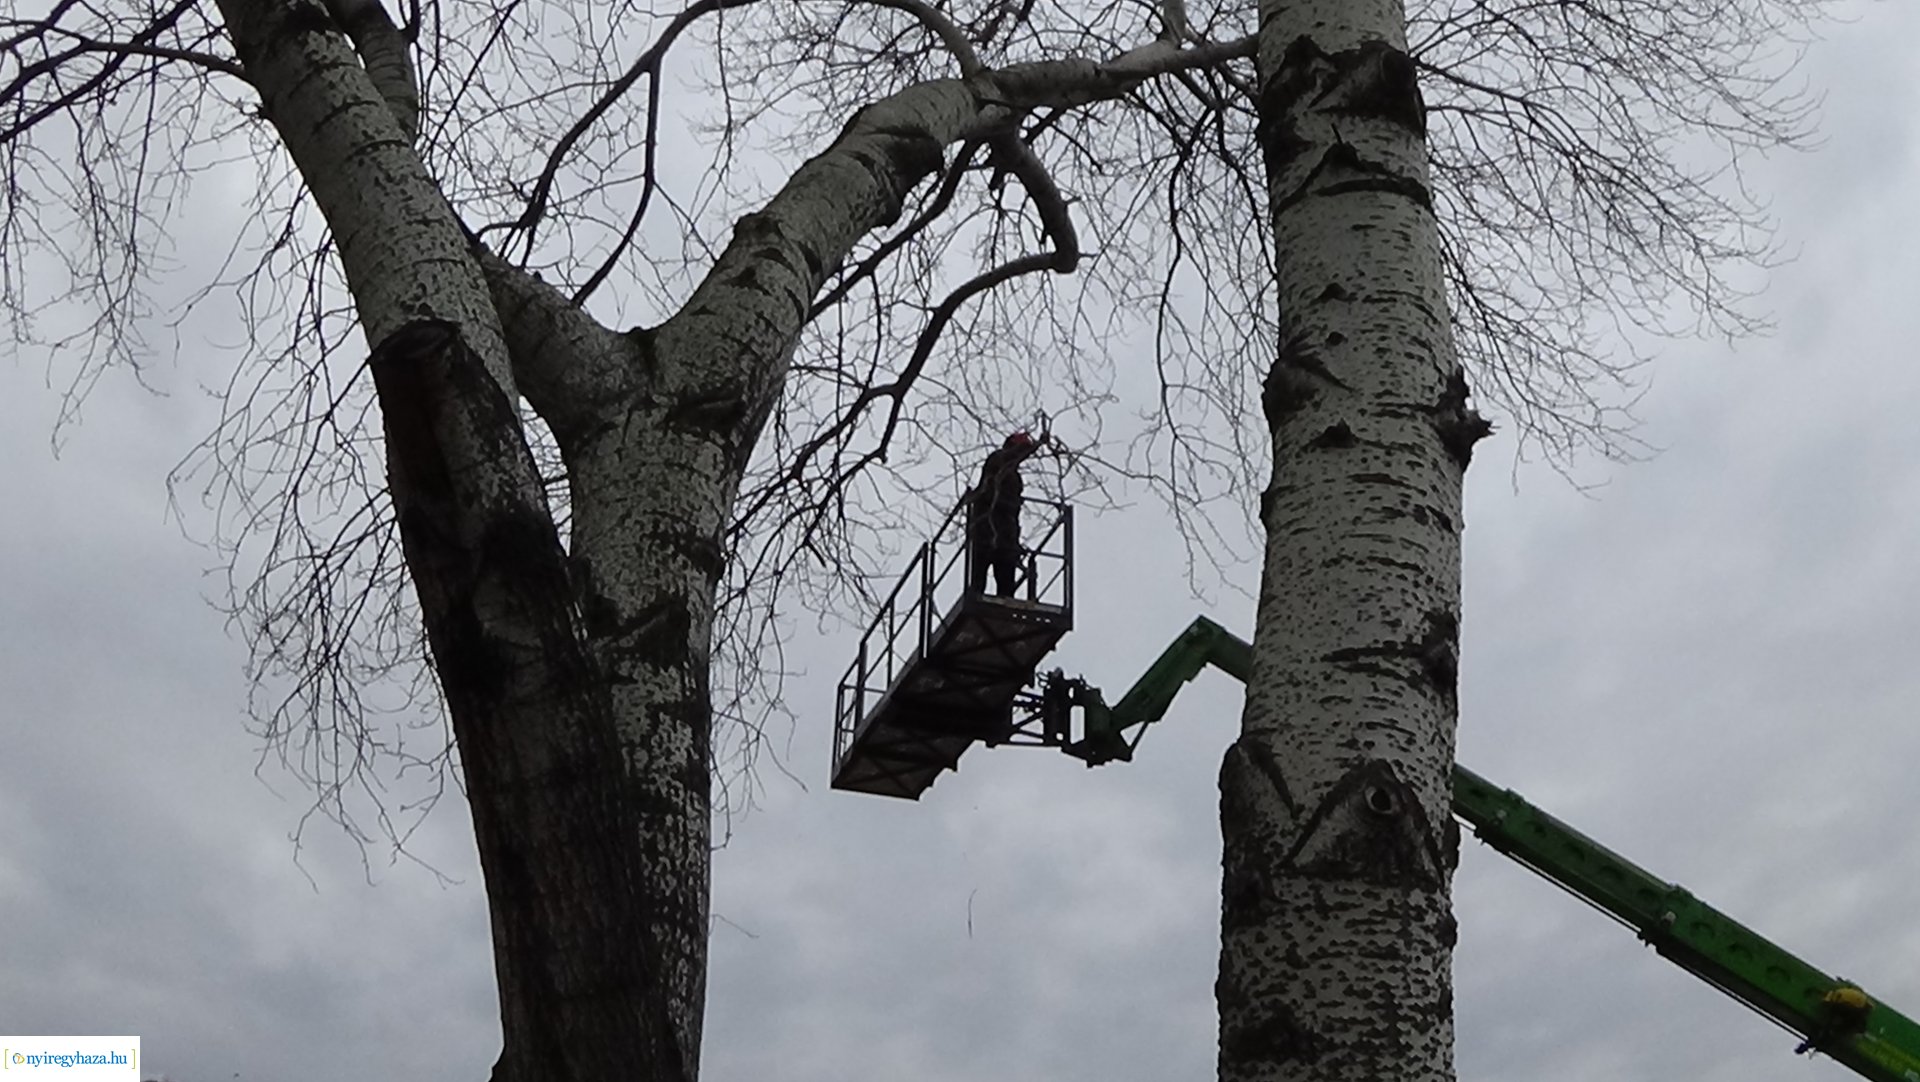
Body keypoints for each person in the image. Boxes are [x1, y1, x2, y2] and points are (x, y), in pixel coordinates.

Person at [967, 430, 1045, 596]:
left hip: (1006, 536)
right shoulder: (997, 459)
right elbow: (1010, 457)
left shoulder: (1015, 478)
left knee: (1006, 585)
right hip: (986, 530)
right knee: (978, 583)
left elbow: (1014, 512)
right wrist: (1033, 447)